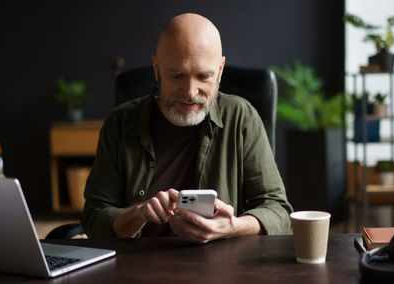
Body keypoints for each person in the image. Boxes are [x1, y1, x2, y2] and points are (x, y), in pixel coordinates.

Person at [81, 13, 292, 243]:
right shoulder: (119, 124)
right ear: (156, 68)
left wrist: (233, 227)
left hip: (222, 270)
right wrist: (139, 214)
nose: (190, 92)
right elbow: (94, 218)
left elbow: (278, 211)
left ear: (220, 70)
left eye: (203, 76)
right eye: (177, 75)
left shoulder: (242, 118)